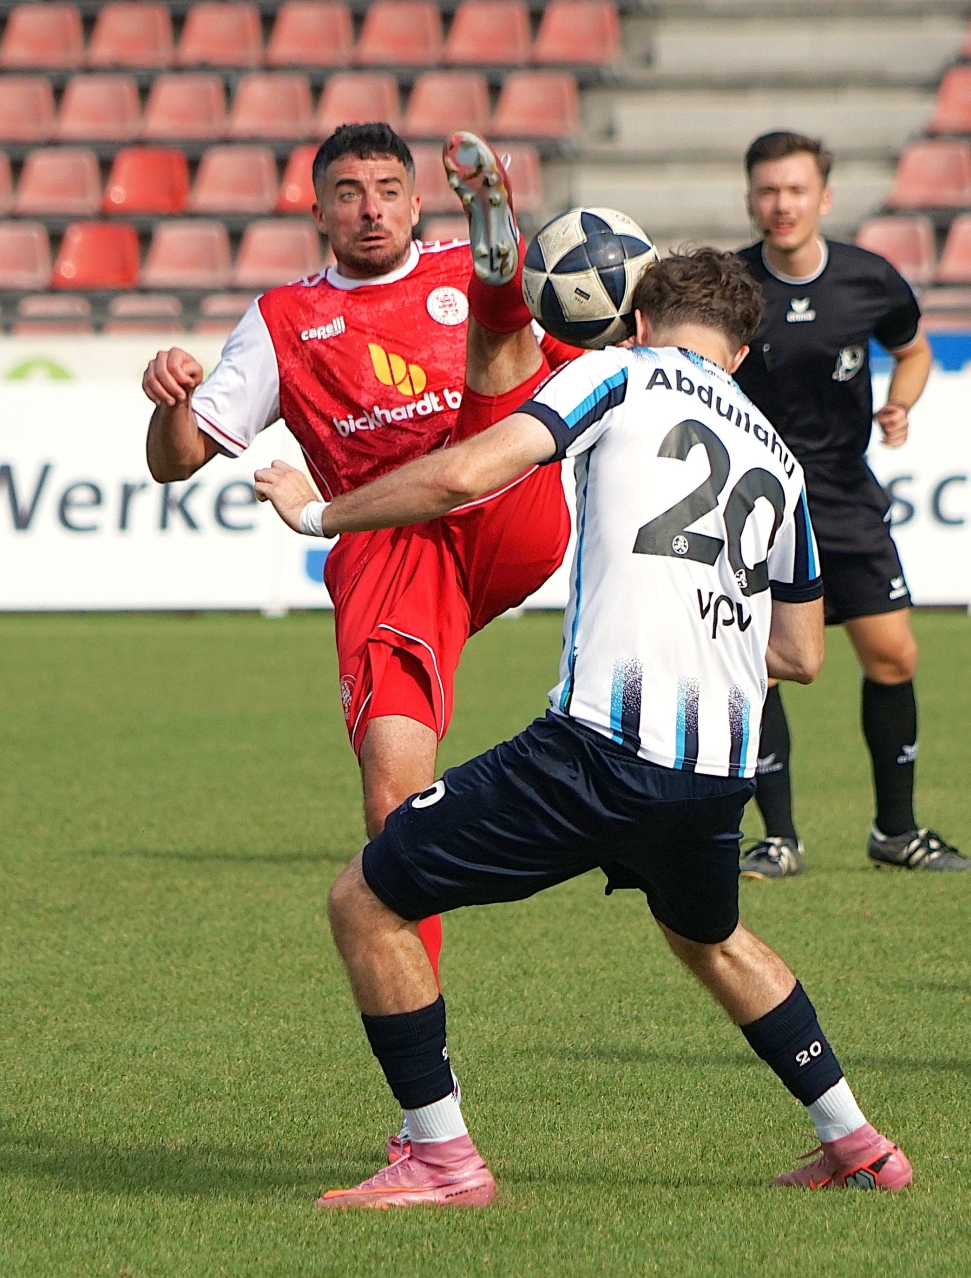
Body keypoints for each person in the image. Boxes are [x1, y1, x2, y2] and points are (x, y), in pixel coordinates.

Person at [254, 248, 913, 1208]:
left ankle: (440, 1159)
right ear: (739, 354)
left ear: (639, 323)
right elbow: (803, 653)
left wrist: (318, 514)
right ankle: (857, 1141)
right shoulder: (777, 456)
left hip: (601, 750)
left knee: (366, 898)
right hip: (716, 771)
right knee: (712, 939)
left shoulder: (618, 372)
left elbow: (466, 475)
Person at [142, 125, 577, 1154]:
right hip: (391, 545)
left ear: (419, 204)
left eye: (388, 189)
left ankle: (503, 266)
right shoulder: (283, 319)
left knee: (499, 357)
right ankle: (433, 1105)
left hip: (499, 499)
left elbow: (581, 369)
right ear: (318, 210)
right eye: (349, 192)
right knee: (395, 808)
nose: (371, 208)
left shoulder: (445, 273)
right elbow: (175, 461)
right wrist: (169, 403)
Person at [729, 130, 971, 877]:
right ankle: (778, 838)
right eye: (768, 190)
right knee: (763, 669)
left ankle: (895, 832)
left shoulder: (870, 279)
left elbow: (914, 350)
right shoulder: (730, 287)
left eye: (796, 190)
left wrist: (901, 405)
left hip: (844, 498)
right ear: (751, 199)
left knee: (894, 656)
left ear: (824, 198)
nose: (782, 204)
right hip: (758, 505)